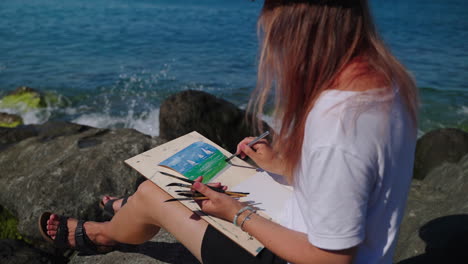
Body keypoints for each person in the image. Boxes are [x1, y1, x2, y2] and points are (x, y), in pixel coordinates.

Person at [40, 0, 418, 263]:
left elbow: (329, 259)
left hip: (287, 257)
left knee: (155, 192)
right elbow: (355, 182)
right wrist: (284, 164)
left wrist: (238, 215)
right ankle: (126, 210)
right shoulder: (387, 84)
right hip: (303, 227)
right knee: (178, 185)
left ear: (299, 26)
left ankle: (103, 234)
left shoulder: (337, 122)